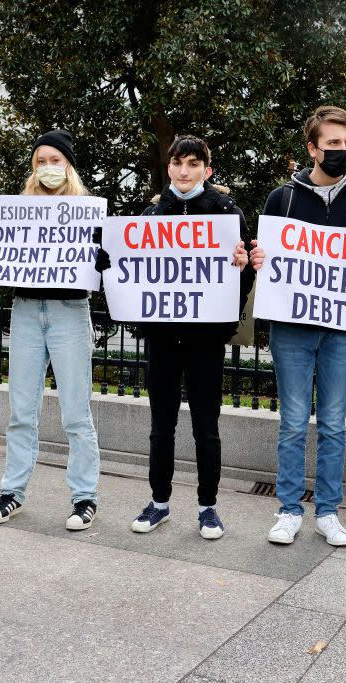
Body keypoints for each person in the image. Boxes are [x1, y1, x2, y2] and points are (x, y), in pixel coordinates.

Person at [249, 106, 346, 547]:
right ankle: (289, 509)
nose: (342, 151)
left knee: (333, 422)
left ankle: (328, 511)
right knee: (293, 421)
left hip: (343, 330)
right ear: (312, 148)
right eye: (333, 144)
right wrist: (259, 263)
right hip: (292, 327)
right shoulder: (282, 199)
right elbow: (269, 265)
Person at [101, 135, 252, 539]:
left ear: (207, 168)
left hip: (206, 340)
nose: (185, 172)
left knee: (207, 424)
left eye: (193, 164)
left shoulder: (227, 212)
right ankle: (159, 502)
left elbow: (245, 274)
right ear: (168, 168)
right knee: (161, 423)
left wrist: (241, 266)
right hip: (163, 337)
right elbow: (131, 269)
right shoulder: (151, 213)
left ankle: (208, 507)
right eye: (178, 164)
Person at [0, 130, 103, 531]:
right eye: (41, 161)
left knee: (76, 413)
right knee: (20, 411)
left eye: (56, 160)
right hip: (27, 310)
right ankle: (11, 492)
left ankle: (84, 498)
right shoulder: (17, 210)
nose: (49, 167)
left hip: (70, 310)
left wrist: (102, 256)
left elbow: (107, 264)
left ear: (69, 165)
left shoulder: (88, 209)